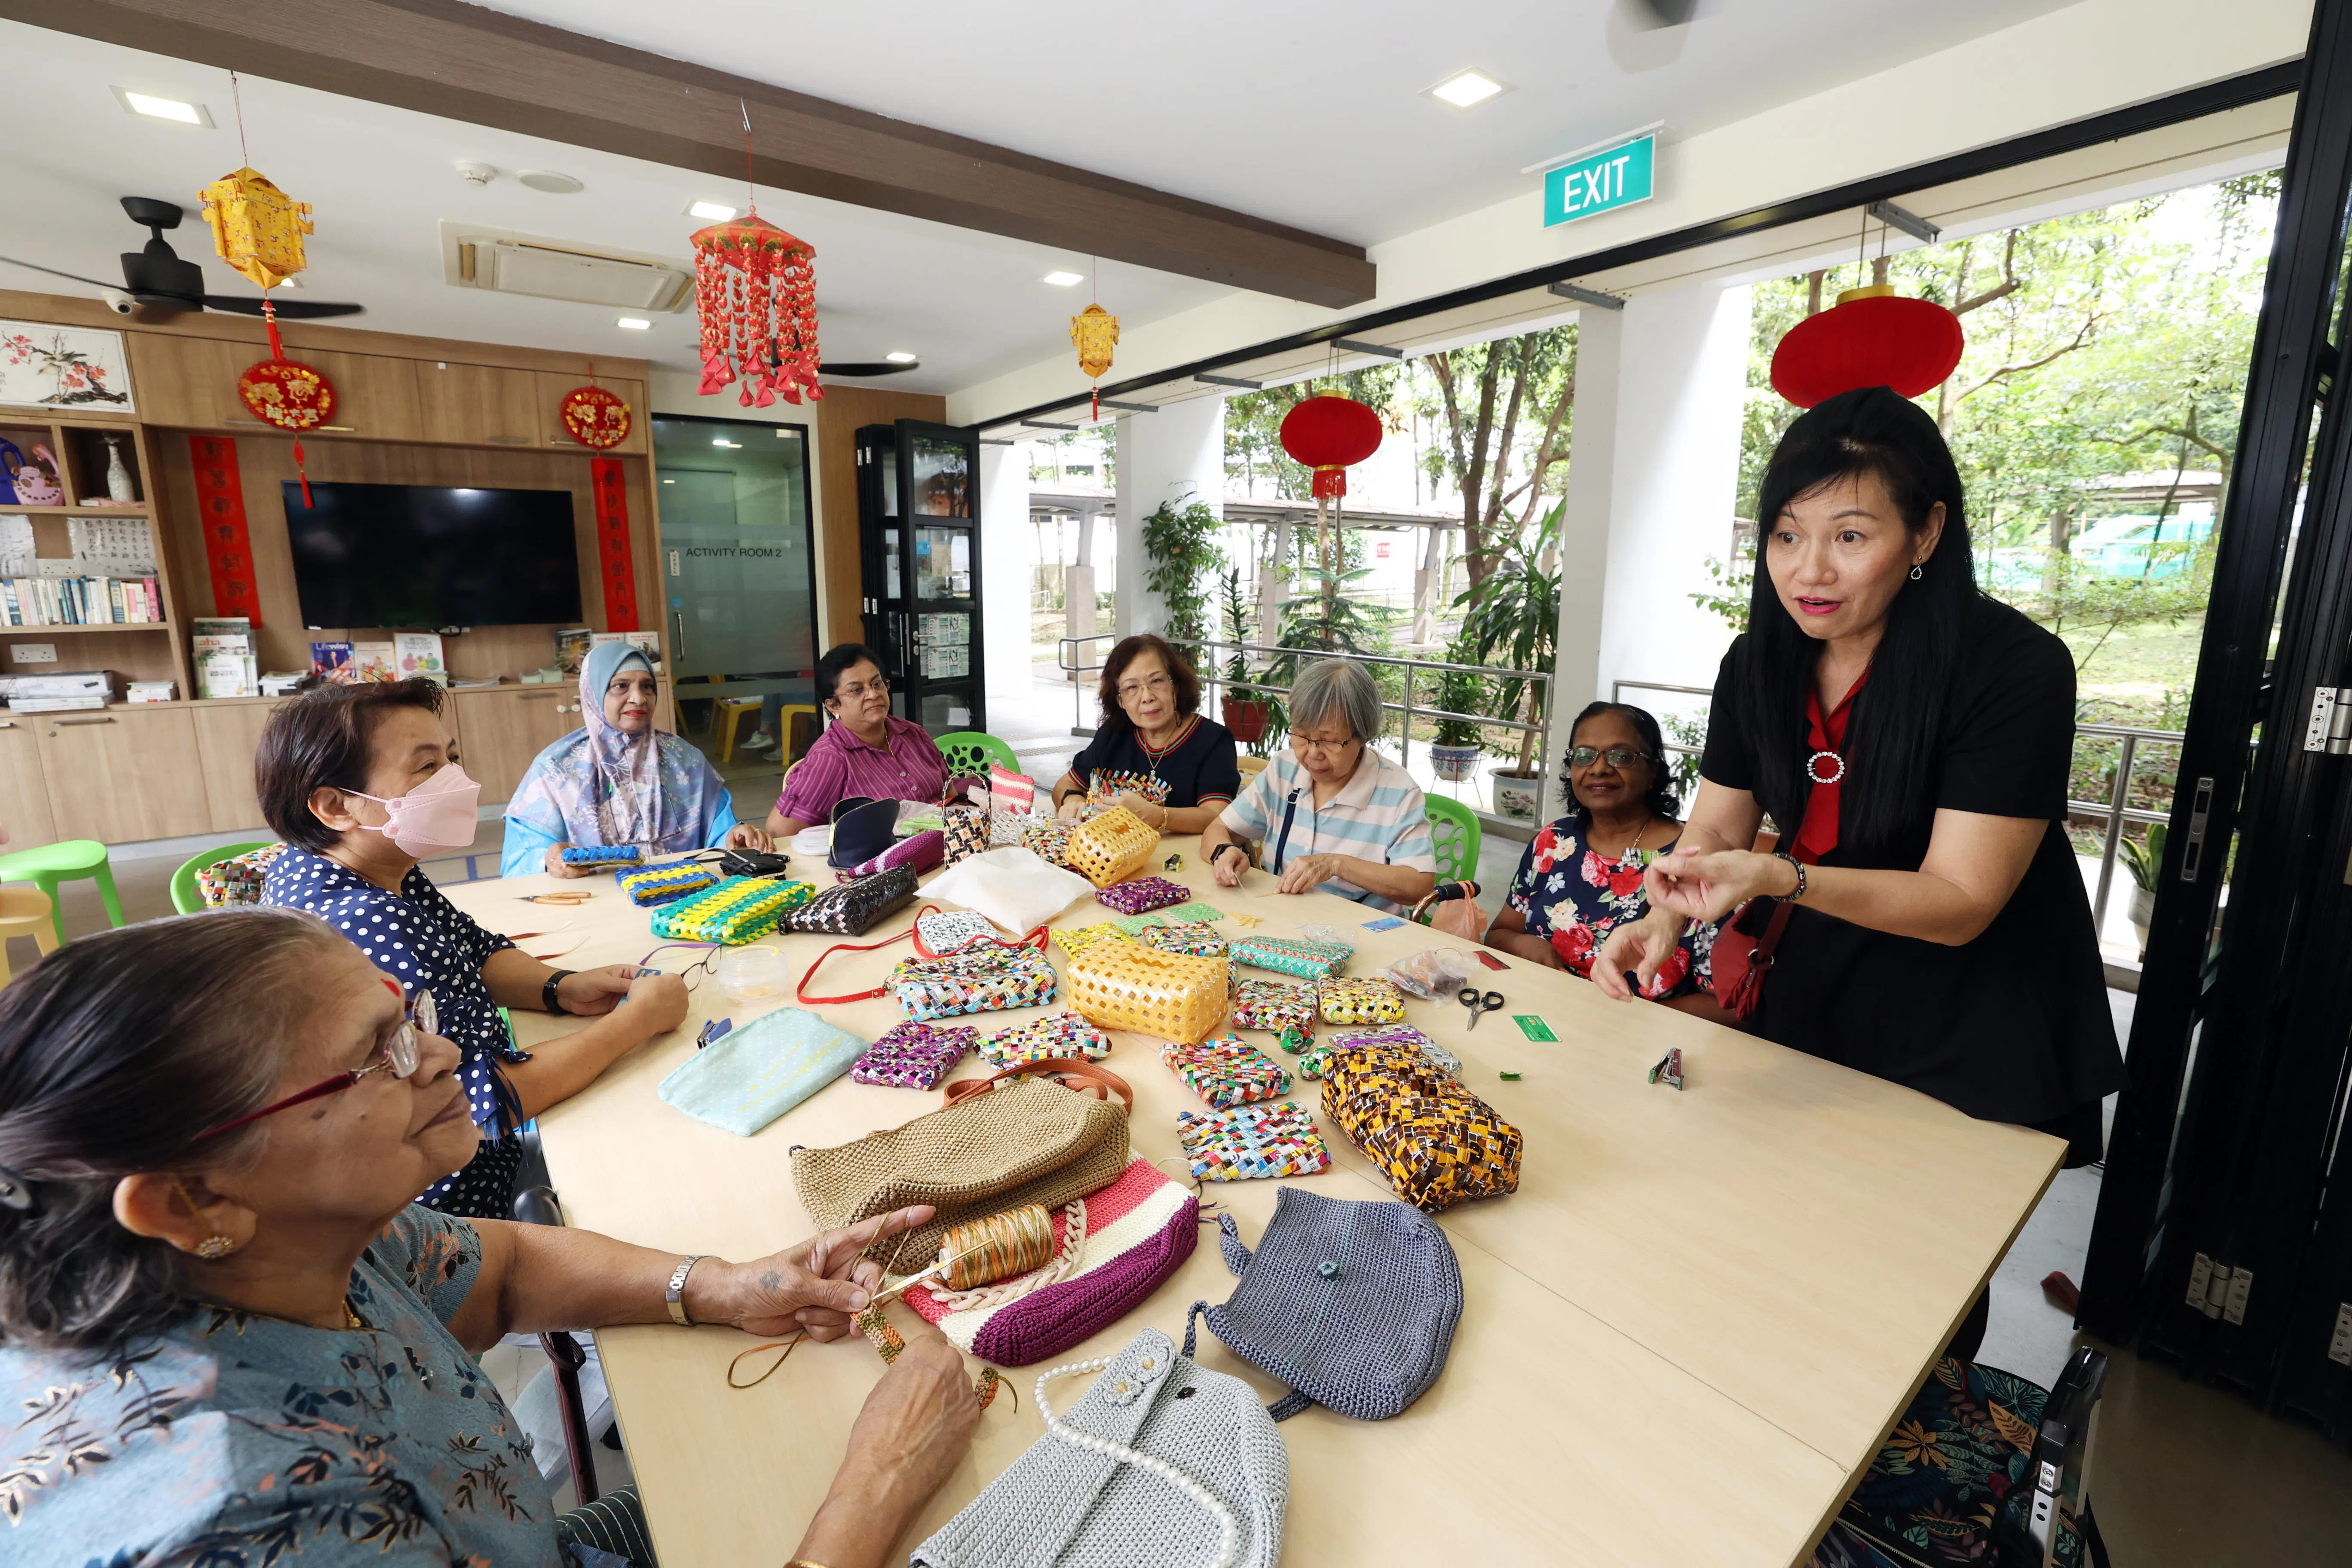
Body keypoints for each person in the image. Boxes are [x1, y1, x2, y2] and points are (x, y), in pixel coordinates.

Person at [0, 910, 980, 1568]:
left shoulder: (285, 1247)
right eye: (376, 1054)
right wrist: (875, 1486)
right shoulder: (260, 1519)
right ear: (189, 1200)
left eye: (409, 1019)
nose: (448, 1054)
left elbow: (502, 1272)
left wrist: (720, 1283)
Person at [1597, 387, 2125, 1202]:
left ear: (1925, 532)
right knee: (1786, 1212)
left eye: (1849, 536)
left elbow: (1961, 902)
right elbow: (1716, 818)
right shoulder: (1758, 660)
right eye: (1786, 534)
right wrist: (1662, 914)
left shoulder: (2012, 667)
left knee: (1921, 1262)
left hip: (1974, 1008)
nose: (1809, 569)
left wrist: (1779, 878)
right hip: (1824, 973)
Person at [256, 679, 689, 1219]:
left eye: (452, 758)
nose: (459, 782)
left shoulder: (366, 868)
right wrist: (636, 1023)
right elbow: (482, 1098)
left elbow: (470, 948)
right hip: (453, 1199)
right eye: (426, 768)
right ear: (336, 805)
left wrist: (559, 988)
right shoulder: (361, 922)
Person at [1488, 701, 1728, 1021]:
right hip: (1538, 1018)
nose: (1599, 768)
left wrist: (1628, 1019)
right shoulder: (1554, 843)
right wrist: (1523, 945)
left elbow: (1729, 1004)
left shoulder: (1697, 859)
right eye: (1584, 755)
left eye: (1621, 756)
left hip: (1643, 1045)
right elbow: (1498, 935)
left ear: (1653, 771)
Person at [502, 641, 773, 879]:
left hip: (687, 900)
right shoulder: (556, 769)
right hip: (596, 906)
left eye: (647, 687)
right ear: (594, 694)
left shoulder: (685, 759)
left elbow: (719, 831)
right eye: (621, 686)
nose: (638, 698)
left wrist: (734, 837)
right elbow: (518, 860)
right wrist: (548, 862)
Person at [1201, 657, 1437, 913]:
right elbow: (1217, 829)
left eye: (1330, 741)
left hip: (1362, 936)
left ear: (1363, 735)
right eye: (1302, 736)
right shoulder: (1284, 770)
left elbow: (1420, 886)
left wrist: (1336, 865)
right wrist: (1223, 853)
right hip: (1282, 925)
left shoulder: (1400, 792)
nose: (1313, 754)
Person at [1051, 633, 1242, 834]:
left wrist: (1158, 816)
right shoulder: (1114, 733)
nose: (1147, 697)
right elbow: (1067, 783)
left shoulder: (1213, 740)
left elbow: (1216, 817)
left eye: (1156, 681)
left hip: (1185, 860)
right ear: (1120, 701)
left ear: (1175, 686)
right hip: (1119, 857)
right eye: (1132, 687)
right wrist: (1072, 799)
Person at [765, 644, 951, 839]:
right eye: (857, 690)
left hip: (949, 851)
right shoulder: (829, 758)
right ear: (833, 705)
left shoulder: (913, 734)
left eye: (877, 684)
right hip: (881, 864)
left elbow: (950, 793)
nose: (873, 694)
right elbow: (779, 833)